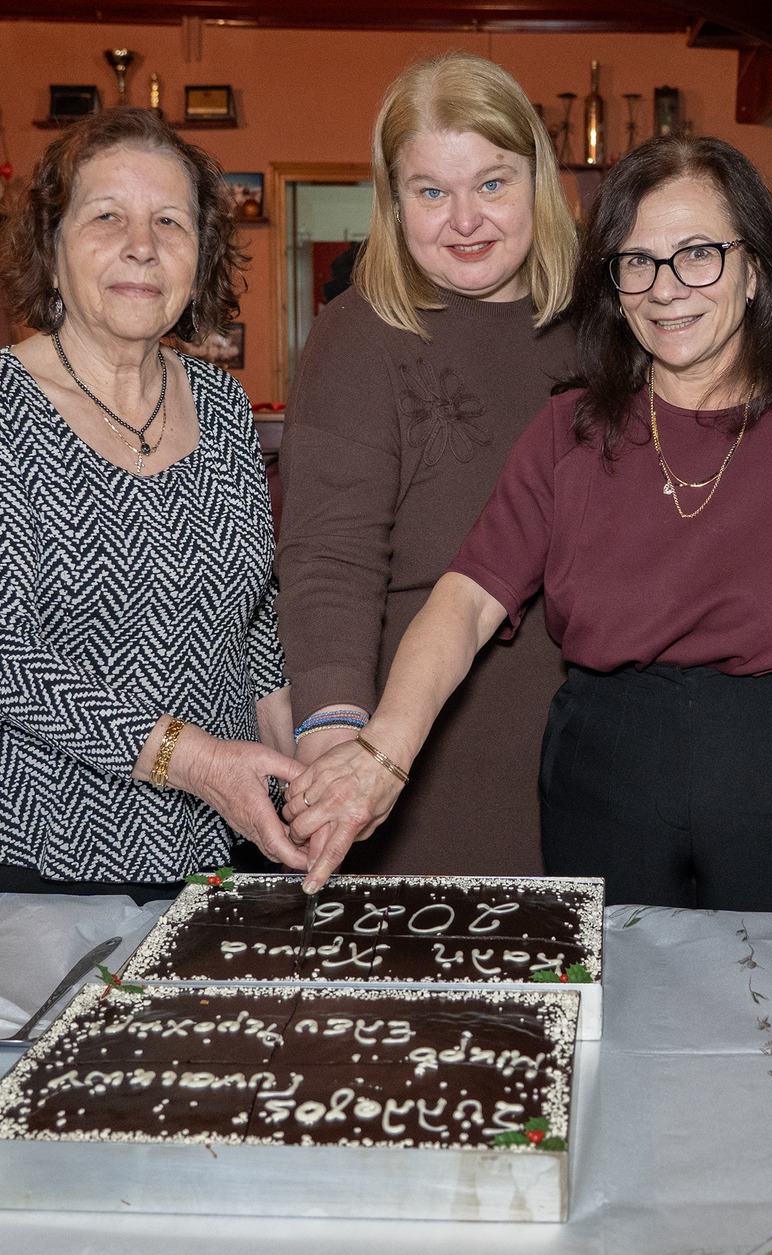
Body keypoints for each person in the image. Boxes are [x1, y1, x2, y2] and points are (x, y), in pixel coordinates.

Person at [283, 136, 772, 960]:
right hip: (602, 779)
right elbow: (463, 602)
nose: (665, 287)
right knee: (611, 1007)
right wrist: (381, 752)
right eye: (637, 261)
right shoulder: (569, 428)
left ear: (755, 269)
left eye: (698, 254)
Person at [0, 108, 303, 902]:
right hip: (36, 847)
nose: (142, 245)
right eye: (107, 217)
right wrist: (195, 760)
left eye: (170, 222)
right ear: (52, 250)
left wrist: (296, 774)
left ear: (200, 256)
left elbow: (255, 623)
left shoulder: (224, 407)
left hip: (219, 836)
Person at [276, 54, 579, 876]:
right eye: (431, 191)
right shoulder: (358, 334)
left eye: (492, 183)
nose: (465, 220)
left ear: (538, 183)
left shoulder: (607, 321)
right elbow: (329, 560)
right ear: (394, 201)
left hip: (596, 740)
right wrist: (338, 742)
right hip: (427, 752)